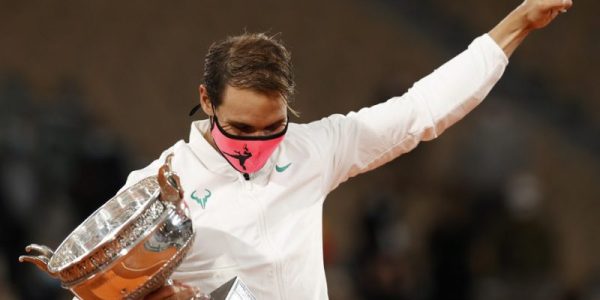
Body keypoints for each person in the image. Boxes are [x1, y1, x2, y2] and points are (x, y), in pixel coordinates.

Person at [131, 0, 573, 299]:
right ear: (207, 101)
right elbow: (87, 290)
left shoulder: (311, 149)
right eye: (241, 127)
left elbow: (420, 110)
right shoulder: (155, 189)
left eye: (272, 127)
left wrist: (517, 24)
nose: (255, 145)